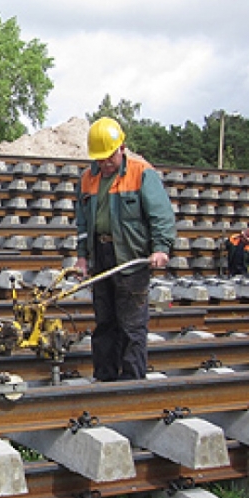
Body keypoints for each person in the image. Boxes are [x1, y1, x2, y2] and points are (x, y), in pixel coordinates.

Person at [75, 117, 177, 382]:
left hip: (131, 258)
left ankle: (132, 381)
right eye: (100, 159)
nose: (105, 164)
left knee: (132, 326)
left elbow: (161, 215)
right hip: (101, 255)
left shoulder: (142, 173)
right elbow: (83, 223)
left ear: (122, 147)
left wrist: (161, 248)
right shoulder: (87, 179)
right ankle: (105, 378)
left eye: (109, 157)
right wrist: (82, 258)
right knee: (105, 323)